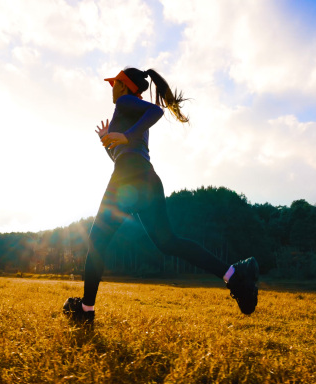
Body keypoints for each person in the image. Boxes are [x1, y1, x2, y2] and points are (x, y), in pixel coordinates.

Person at [63, 67, 259, 325]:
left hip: (128, 179)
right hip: (145, 179)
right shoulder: (132, 111)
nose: (111, 89)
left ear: (123, 85)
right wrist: (108, 142)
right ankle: (234, 275)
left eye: (114, 84)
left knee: (97, 242)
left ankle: (85, 312)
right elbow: (124, 154)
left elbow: (157, 111)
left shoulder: (125, 103)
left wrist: (125, 135)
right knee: (168, 242)